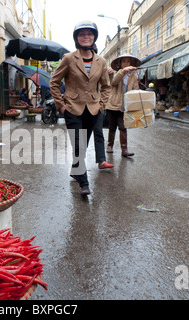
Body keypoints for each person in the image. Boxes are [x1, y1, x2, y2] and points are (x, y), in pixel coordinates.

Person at [50, 20, 111, 196]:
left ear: (94, 38)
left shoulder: (101, 61)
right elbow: (54, 82)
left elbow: (106, 86)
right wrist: (61, 106)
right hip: (72, 109)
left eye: (89, 34)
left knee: (82, 146)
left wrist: (102, 105)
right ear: (77, 38)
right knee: (77, 144)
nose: (86, 37)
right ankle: (84, 183)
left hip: (93, 110)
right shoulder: (69, 58)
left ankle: (75, 171)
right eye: (82, 34)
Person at [105, 54, 140, 157]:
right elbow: (114, 82)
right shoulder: (114, 73)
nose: (126, 63)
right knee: (112, 127)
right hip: (113, 104)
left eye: (128, 62)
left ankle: (124, 150)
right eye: (124, 61)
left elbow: (135, 89)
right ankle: (110, 145)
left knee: (123, 127)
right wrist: (123, 71)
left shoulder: (132, 76)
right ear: (120, 63)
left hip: (125, 106)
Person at [91, 44, 113, 170]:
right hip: (80, 106)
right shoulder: (76, 63)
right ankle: (78, 165)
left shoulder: (100, 64)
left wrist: (102, 103)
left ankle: (101, 161)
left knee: (98, 132)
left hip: (96, 105)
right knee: (82, 135)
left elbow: (107, 84)